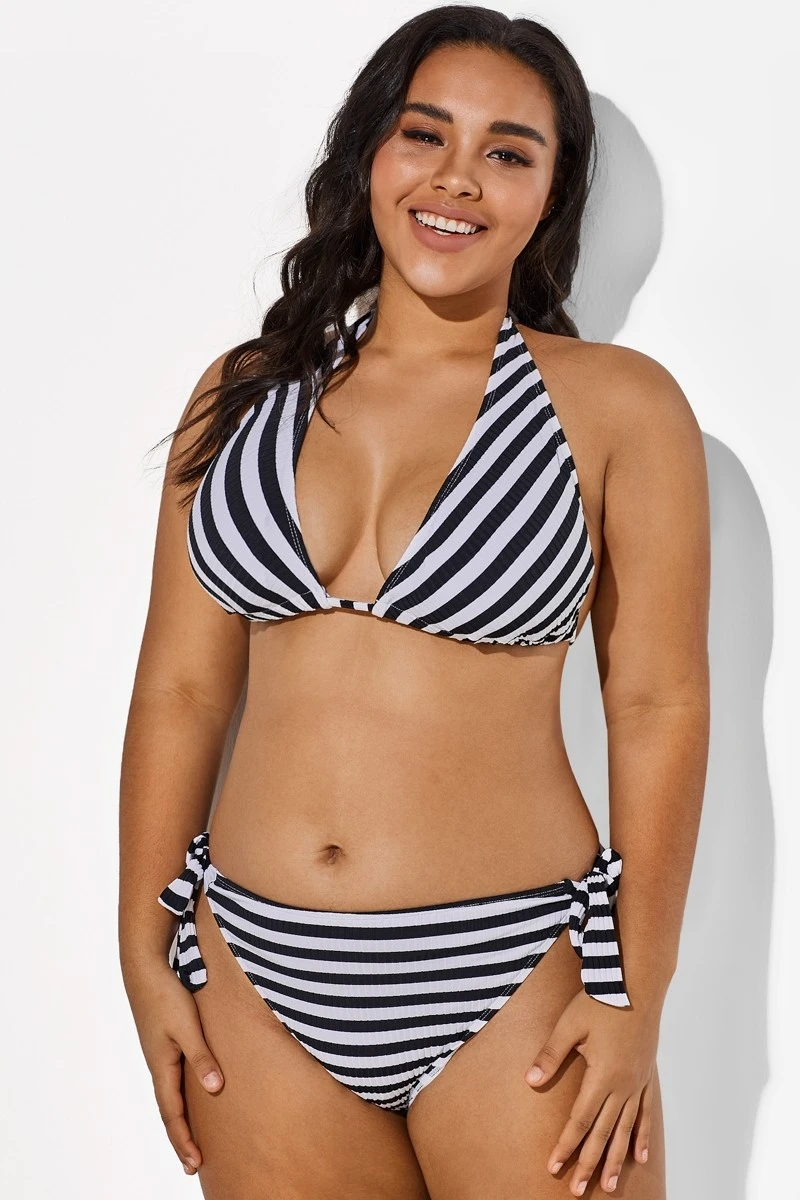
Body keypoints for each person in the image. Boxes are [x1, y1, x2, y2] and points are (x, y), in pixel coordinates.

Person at [118, 7, 710, 1198]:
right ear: (369, 155)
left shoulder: (615, 406)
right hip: (252, 971)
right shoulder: (244, 393)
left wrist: (634, 993)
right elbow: (180, 688)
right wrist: (140, 943)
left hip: (512, 973)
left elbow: (656, 705)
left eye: (507, 152)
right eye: (424, 134)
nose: (457, 178)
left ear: (551, 194)